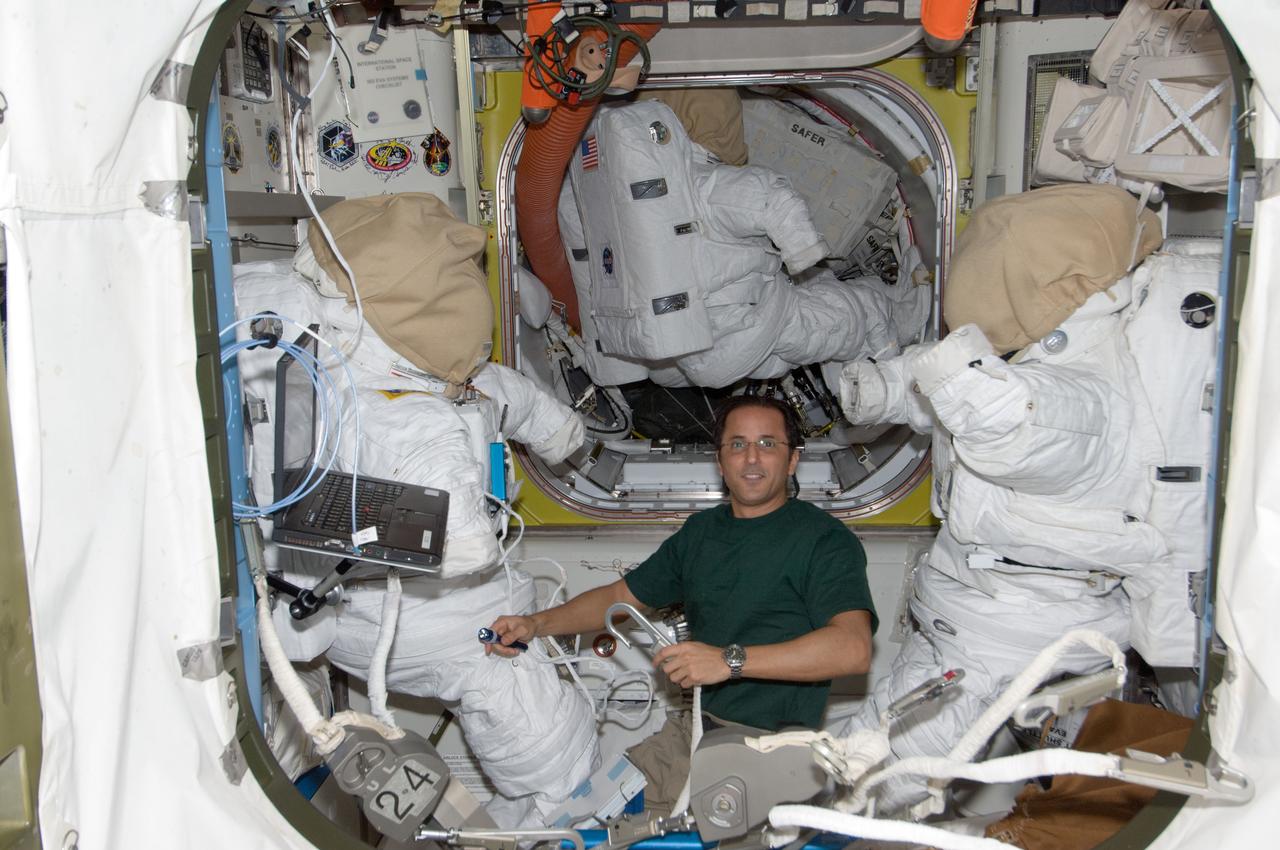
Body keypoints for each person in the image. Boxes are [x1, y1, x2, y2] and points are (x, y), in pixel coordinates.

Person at [486, 394, 877, 810]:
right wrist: (535, 624)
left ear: (792, 459)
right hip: (693, 731)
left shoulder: (824, 541)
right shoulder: (702, 533)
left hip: (769, 748)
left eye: (767, 444)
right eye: (738, 444)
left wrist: (728, 661)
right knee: (590, 814)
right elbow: (619, 597)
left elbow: (852, 649)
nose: (751, 458)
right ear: (720, 460)